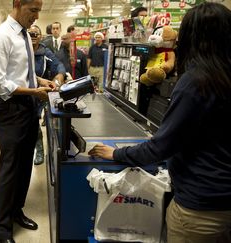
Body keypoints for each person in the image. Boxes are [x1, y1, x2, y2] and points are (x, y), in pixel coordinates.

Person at [88, 3, 231, 242]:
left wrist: (117, 154)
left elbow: (161, 147)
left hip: (200, 209)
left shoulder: (196, 82)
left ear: (191, 37)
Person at [0, 0, 55, 242]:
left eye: (39, 11)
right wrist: (33, 92)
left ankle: (16, 211)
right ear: (17, 4)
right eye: (32, 10)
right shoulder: (1, 36)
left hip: (27, 105)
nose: (36, 16)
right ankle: (1, 229)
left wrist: (39, 81)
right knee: (10, 168)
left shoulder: (24, 34)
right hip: (10, 109)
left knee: (25, 164)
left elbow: (19, 71)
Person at [29, 24, 65, 165]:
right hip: (20, 92)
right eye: (29, 33)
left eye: (35, 34)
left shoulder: (45, 52)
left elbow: (59, 66)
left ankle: (40, 151)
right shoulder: (19, 50)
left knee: (39, 123)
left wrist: (57, 80)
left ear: (41, 36)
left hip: (41, 94)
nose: (32, 36)